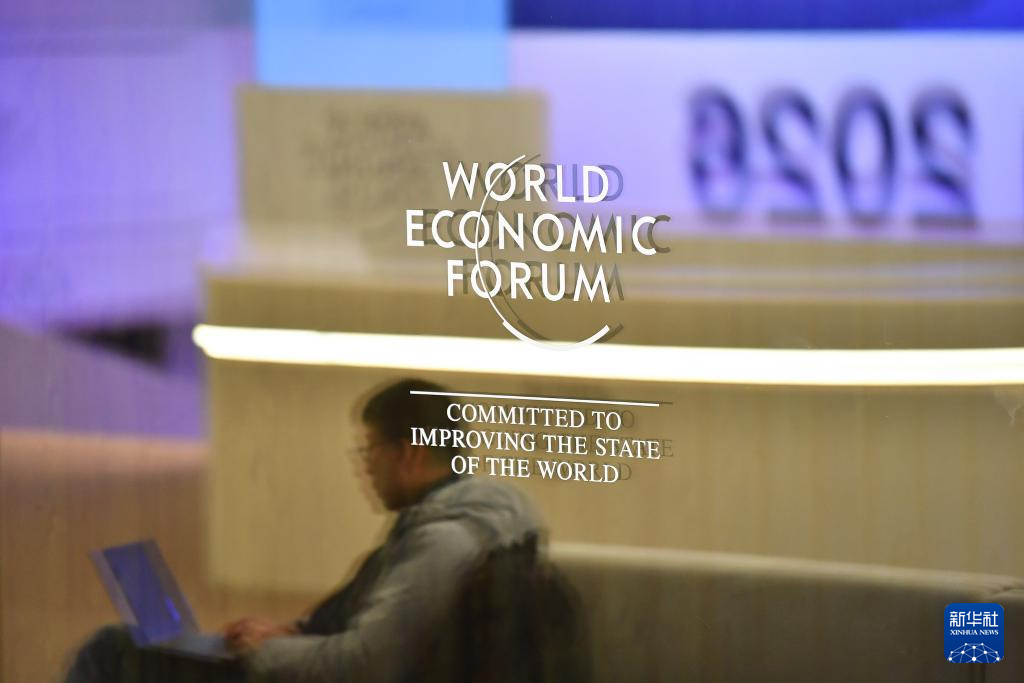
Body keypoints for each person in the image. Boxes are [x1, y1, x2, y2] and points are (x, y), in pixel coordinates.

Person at [63, 378, 543, 683]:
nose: (364, 467)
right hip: (298, 662)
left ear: (409, 454)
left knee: (113, 650)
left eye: (370, 450)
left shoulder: (445, 542)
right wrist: (291, 633)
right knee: (134, 644)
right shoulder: (451, 528)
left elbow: (365, 665)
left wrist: (270, 652)